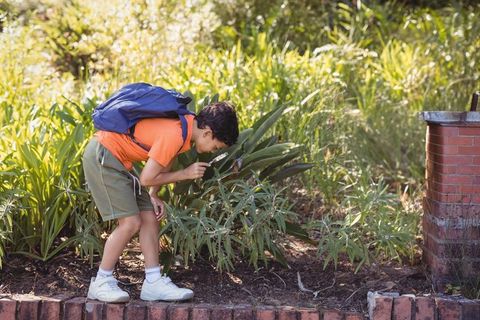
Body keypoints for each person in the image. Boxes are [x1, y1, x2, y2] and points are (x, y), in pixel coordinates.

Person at [82, 100, 239, 303]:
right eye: (215, 146)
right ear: (207, 132)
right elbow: (147, 178)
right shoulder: (175, 134)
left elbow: (164, 162)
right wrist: (184, 174)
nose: (212, 150)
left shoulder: (184, 127)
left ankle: (153, 282)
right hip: (103, 156)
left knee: (149, 216)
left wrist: (154, 194)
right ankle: (100, 282)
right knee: (130, 223)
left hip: (118, 161)